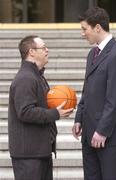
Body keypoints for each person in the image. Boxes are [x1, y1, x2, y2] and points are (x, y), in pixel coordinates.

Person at [72, 7, 116, 180]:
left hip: (110, 138)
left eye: (85, 29)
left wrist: (102, 131)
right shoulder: (93, 53)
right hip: (89, 135)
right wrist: (79, 119)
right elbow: (87, 91)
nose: (82, 34)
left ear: (97, 27)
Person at [8, 35, 73, 180]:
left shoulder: (36, 76)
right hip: (29, 156)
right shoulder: (25, 78)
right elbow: (25, 112)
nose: (47, 50)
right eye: (43, 47)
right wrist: (55, 113)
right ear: (31, 52)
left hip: (38, 152)